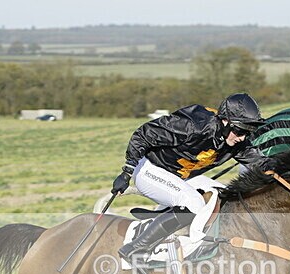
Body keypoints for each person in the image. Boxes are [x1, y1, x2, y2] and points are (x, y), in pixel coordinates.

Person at [112, 93, 273, 264]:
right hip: (149, 169)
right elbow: (143, 134)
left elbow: (262, 164)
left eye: (247, 133)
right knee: (194, 203)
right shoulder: (193, 125)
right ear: (225, 121)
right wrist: (127, 171)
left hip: (179, 176)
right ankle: (136, 249)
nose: (242, 138)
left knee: (224, 196)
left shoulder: (236, 142)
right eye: (240, 130)